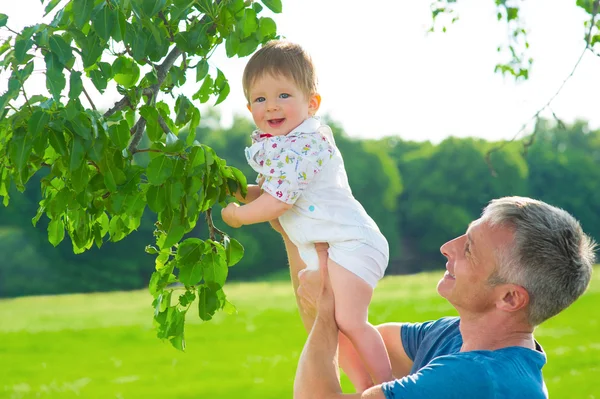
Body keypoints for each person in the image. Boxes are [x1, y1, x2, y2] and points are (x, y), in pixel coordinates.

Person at [291, 196, 596, 398]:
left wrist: (325, 306)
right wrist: (294, 227)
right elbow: (345, 343)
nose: (447, 247)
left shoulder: (478, 378)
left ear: (510, 299)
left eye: (469, 250)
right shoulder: (455, 336)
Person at [220, 40, 392, 388]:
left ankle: (388, 387)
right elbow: (270, 194)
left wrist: (239, 216)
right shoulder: (282, 146)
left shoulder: (304, 143)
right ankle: (364, 389)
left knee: (350, 320)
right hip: (332, 246)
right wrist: (234, 189)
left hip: (353, 243)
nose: (271, 106)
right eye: (260, 99)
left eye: (283, 95)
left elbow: (278, 203)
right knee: (330, 325)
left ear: (311, 103)